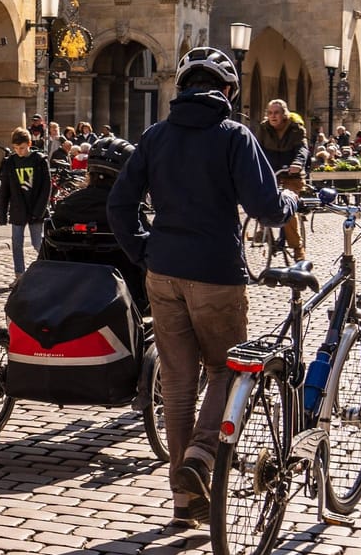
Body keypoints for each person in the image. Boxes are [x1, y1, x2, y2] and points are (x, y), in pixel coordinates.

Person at [108, 46, 297, 530]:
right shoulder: (234, 135)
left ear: (182, 86)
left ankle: (183, 500)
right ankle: (202, 452)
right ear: (227, 92)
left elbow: (119, 204)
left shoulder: (155, 135)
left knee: (176, 383)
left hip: (163, 271)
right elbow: (267, 206)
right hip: (216, 271)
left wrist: (143, 251)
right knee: (226, 369)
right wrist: (291, 200)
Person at [255, 99, 310, 262]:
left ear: (284, 114)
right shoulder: (263, 129)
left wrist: (298, 163)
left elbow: (302, 148)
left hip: (291, 174)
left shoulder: (295, 129)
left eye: (276, 113)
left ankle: (297, 248)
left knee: (288, 208)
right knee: (257, 196)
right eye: (270, 113)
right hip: (272, 173)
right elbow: (257, 149)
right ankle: (262, 226)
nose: (273, 116)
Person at [0, 129, 50, 280]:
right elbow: (5, 189)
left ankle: (47, 271)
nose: (19, 151)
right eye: (16, 148)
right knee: (17, 244)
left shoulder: (39, 160)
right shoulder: (10, 162)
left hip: (36, 208)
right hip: (18, 208)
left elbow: (46, 188)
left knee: (38, 243)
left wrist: (40, 210)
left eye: (22, 148)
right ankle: (19, 275)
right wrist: (2, 212)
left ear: (29, 144)